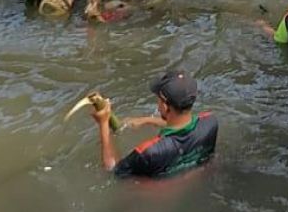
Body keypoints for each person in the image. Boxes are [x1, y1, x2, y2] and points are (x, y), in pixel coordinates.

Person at [88, 70, 218, 179]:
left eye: (159, 99)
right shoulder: (211, 123)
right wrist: (147, 120)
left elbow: (112, 171)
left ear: (165, 106)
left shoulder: (148, 152)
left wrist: (104, 123)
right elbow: (182, 124)